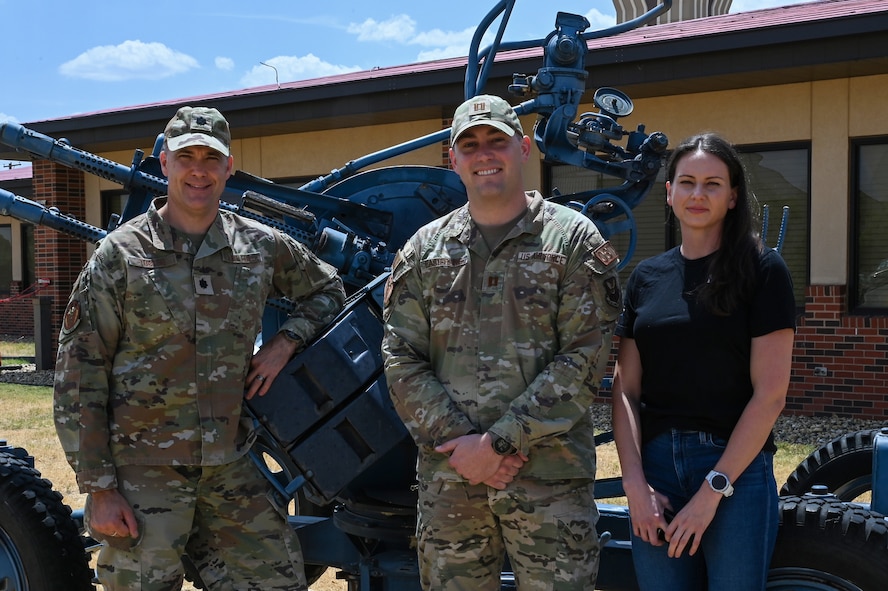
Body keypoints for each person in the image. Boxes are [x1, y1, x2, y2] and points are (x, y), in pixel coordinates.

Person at [53, 106, 346, 590]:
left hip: (228, 464)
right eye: (185, 155)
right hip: (145, 469)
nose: (199, 169)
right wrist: (100, 490)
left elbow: (327, 289)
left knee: (275, 580)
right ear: (164, 163)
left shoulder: (257, 245)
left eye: (211, 157)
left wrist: (284, 341)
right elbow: (79, 376)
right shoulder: (122, 255)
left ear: (229, 166)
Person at [381, 94, 623, 591]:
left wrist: (497, 443)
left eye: (497, 140)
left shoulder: (572, 240)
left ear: (525, 149)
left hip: (547, 481)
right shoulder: (424, 251)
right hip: (453, 482)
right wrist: (465, 447)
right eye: (469, 144)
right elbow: (400, 355)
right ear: (453, 158)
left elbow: (585, 354)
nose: (484, 153)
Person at [611, 132, 796, 591]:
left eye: (713, 184)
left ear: (733, 197)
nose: (698, 194)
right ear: (669, 191)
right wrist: (634, 485)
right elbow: (625, 390)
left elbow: (770, 394)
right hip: (655, 472)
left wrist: (713, 491)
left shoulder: (764, 271)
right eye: (687, 182)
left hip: (734, 470)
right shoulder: (646, 279)